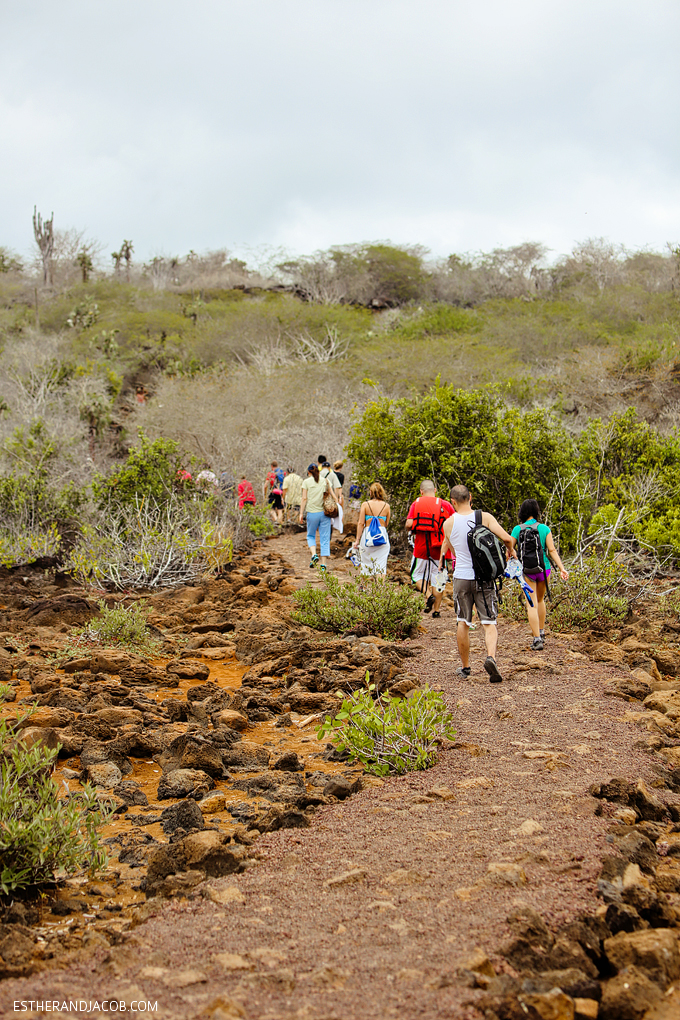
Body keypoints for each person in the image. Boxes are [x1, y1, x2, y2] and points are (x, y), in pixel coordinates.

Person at [439, 484, 517, 683]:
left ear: (453, 502)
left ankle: (465, 667)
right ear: (470, 497)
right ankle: (490, 657)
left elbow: (455, 553)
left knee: (463, 622)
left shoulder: (448, 524)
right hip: (484, 578)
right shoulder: (485, 517)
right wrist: (510, 551)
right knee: (489, 623)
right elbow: (508, 538)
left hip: (461, 578)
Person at [511, 498, 569, 651]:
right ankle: (542, 632)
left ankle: (537, 639)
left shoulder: (517, 529)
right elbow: (552, 550)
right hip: (545, 569)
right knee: (541, 600)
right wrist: (562, 568)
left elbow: (509, 550)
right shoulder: (544, 528)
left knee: (531, 604)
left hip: (527, 570)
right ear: (537, 511)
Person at [405, 480, 454, 618]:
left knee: (416, 576)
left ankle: (428, 594)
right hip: (440, 548)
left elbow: (409, 524)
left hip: (421, 547)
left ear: (421, 491)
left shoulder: (416, 504)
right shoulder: (446, 505)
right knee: (438, 578)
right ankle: (437, 611)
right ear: (435, 490)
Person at [299, 464, 334, 570]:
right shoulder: (326, 481)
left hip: (312, 513)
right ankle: (323, 564)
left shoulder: (306, 482)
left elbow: (304, 498)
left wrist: (301, 513)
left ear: (309, 472)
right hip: (324, 514)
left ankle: (314, 555)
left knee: (310, 536)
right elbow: (332, 494)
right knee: (325, 538)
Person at [352, 483, 391, 575]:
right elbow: (386, 524)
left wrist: (357, 540)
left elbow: (361, 523)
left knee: (365, 562)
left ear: (370, 493)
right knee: (381, 565)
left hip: (367, 535)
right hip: (381, 535)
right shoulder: (386, 506)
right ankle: (380, 588)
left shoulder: (365, 505)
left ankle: (364, 587)